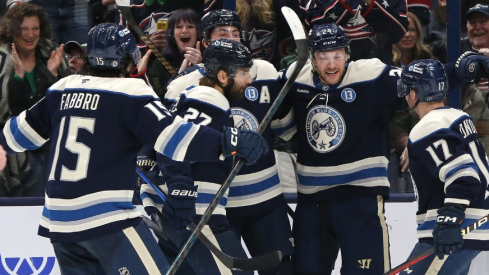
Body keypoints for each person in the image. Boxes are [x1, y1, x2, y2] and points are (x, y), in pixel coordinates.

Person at [0, 23, 268, 274]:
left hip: (58, 222)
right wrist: (228, 141)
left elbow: (16, 137)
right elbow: (174, 138)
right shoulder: (131, 91)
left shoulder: (62, 88)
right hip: (106, 220)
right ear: (127, 59)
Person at [272, 23, 483, 274]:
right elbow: (275, 118)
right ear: (312, 58)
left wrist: (463, 71)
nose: (331, 65)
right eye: (323, 57)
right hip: (312, 203)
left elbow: (420, 80)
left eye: (337, 56)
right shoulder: (293, 79)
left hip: (360, 200)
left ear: (347, 54)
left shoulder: (370, 75)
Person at [162, 9, 295, 274]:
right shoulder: (182, 86)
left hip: (266, 201)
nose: (233, 40)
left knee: (283, 270)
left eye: (236, 34)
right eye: (224, 34)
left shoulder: (264, 71)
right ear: (207, 42)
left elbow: (285, 128)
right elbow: (169, 142)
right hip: (218, 207)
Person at [142, 39, 259, 275]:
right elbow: (174, 142)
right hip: (196, 214)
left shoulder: (195, 97)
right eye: (244, 72)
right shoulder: (208, 97)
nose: (249, 80)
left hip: (176, 212)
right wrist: (180, 186)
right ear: (224, 77)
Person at [397, 59, 489, 274]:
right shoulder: (457, 116)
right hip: (471, 230)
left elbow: (464, 175)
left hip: (453, 232)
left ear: (413, 93)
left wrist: (449, 219)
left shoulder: (429, 126)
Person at [0, 3, 69, 197]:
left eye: (35, 28)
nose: (30, 35)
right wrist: (18, 78)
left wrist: (49, 73)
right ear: (14, 31)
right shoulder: (1, 58)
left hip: (44, 146)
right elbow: (13, 110)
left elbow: (59, 105)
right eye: (24, 29)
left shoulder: (53, 55)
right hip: (5, 143)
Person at [204, 0, 304, 70]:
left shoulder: (277, 3)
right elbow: (206, 34)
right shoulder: (219, 3)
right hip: (230, 72)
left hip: (270, 71)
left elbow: (290, 34)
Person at [304, 0, 408, 65]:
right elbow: (313, 29)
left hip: (379, 69)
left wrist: (371, 2)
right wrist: (341, 2)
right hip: (335, 70)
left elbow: (398, 32)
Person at [146, 8, 202, 98]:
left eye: (190, 26)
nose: (184, 30)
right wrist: (180, 76)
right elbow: (161, 99)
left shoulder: (208, 60)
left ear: (198, 32)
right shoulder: (160, 63)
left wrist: (200, 68)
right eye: (179, 27)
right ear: (172, 33)